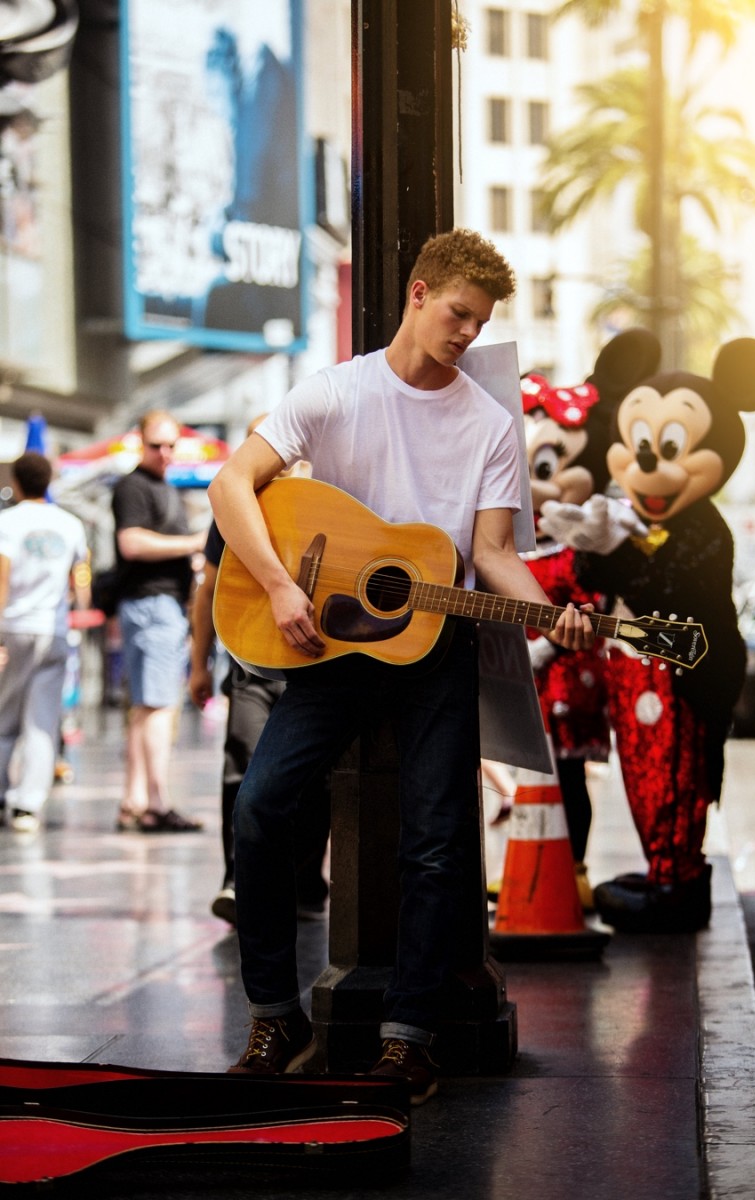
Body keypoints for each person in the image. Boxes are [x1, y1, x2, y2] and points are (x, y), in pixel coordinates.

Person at [208, 228, 594, 1104]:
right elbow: (233, 484)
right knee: (264, 808)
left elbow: (491, 554)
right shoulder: (337, 393)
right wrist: (278, 586)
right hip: (326, 641)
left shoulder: (491, 426)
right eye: (458, 313)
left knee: (439, 841)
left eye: (481, 321)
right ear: (418, 295)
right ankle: (275, 1015)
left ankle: (407, 1037)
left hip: (436, 651)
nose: (466, 333)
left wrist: (551, 614)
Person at [189, 511, 331, 927]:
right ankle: (239, 881)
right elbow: (208, 589)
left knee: (316, 779)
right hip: (250, 666)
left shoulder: (325, 496)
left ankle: (304, 884)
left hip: (315, 665)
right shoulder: (238, 508)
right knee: (244, 765)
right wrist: (199, 664)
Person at [112, 410, 208, 833]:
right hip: (152, 606)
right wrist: (193, 543)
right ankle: (156, 801)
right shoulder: (134, 486)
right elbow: (131, 543)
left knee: (146, 708)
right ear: (140, 442)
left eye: (171, 445)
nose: (165, 453)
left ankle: (136, 800)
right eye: (157, 445)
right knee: (158, 707)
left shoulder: (161, 486)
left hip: (159, 606)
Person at [0, 452, 90, 833]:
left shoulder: (6, 522)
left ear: (16, 483)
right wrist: (80, 613)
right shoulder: (70, 525)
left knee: (4, 719)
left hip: (13, 627)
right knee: (42, 720)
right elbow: (81, 578)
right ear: (49, 481)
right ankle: (28, 805)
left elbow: (1, 578)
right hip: (52, 629)